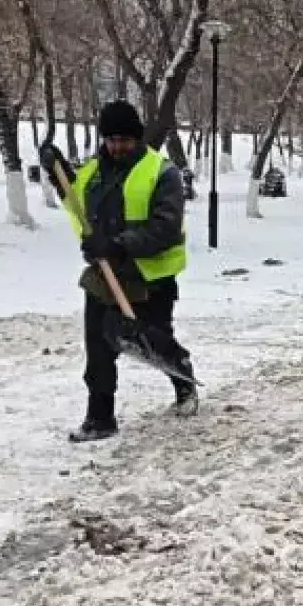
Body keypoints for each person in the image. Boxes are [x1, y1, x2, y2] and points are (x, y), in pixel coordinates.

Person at [51, 99, 197, 442]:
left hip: (149, 276)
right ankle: (100, 418)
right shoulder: (92, 173)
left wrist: (118, 244)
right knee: (98, 347)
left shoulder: (162, 173)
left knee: (153, 341)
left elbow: (166, 228)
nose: (117, 147)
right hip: (104, 276)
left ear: (138, 138)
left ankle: (183, 381)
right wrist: (57, 176)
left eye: (125, 140)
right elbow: (77, 205)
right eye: (111, 139)